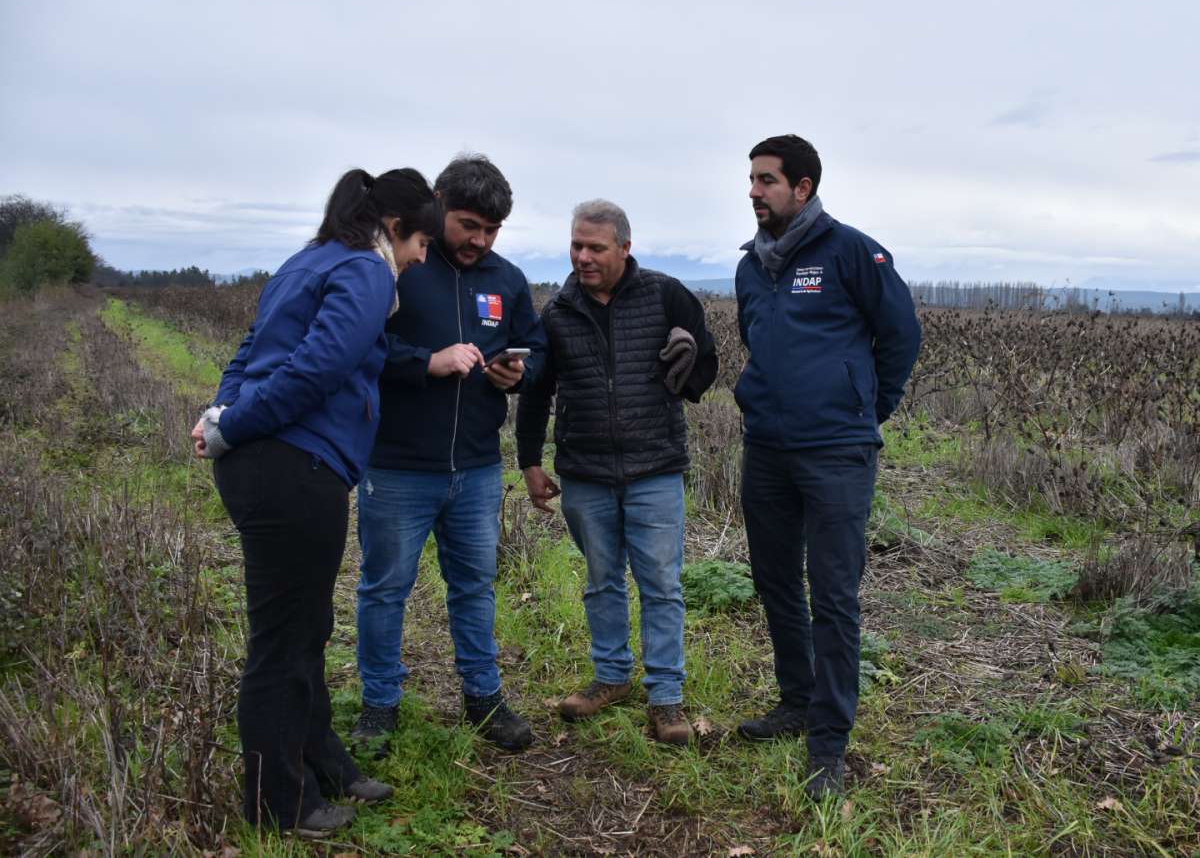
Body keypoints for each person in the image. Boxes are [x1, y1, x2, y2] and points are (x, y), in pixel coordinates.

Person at [190, 168, 442, 835]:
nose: (419, 261)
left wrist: (221, 410)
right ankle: (280, 804)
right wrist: (232, 423)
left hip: (268, 463)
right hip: (295, 466)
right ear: (395, 229)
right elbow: (316, 367)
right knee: (283, 642)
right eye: (420, 245)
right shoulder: (365, 272)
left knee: (306, 629)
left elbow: (251, 349)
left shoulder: (306, 262)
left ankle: (325, 761)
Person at [733, 135, 922, 798]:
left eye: (767, 181)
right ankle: (797, 700)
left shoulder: (851, 252)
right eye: (751, 180)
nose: (754, 191)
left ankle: (829, 742)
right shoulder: (751, 267)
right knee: (776, 581)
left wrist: (866, 409)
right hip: (767, 448)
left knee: (834, 595)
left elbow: (902, 335)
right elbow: (756, 342)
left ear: (804, 187)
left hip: (837, 452)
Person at [353, 154, 547, 754]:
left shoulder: (507, 279)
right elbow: (359, 347)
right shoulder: (395, 267)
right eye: (468, 225)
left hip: (478, 468)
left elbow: (533, 344)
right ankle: (378, 708)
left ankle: (483, 699)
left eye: (492, 230)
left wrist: (517, 370)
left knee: (474, 585)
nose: (479, 240)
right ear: (437, 204)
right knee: (385, 589)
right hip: (397, 464)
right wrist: (425, 363)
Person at [516, 199, 717, 745]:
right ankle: (610, 678)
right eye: (576, 246)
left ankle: (666, 697)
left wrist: (692, 354)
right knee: (602, 581)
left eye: (595, 247)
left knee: (661, 586)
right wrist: (530, 461)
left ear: (625, 248)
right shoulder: (557, 311)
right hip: (586, 473)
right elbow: (536, 391)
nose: (583, 257)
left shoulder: (666, 293)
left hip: (655, 469)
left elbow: (706, 369)